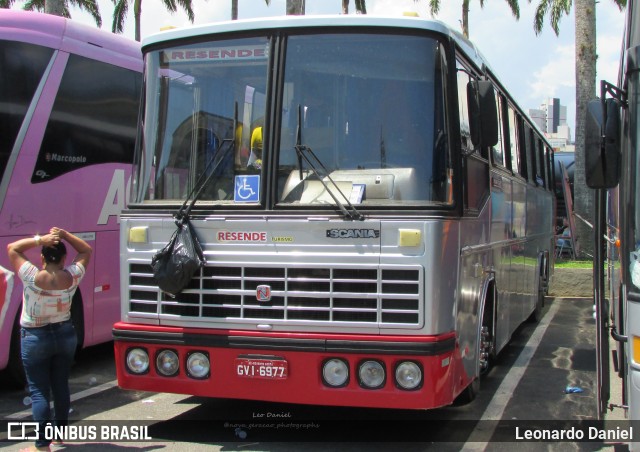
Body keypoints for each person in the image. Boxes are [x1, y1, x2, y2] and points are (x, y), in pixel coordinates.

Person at [7, 228, 92, 452]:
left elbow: (12, 248)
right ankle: (58, 438)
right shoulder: (73, 276)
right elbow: (86, 250)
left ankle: (42, 446)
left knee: (39, 392)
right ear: (64, 258)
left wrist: (39, 240)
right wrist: (64, 235)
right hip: (64, 334)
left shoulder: (31, 276)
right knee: (61, 386)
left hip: (35, 336)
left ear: (42, 258)